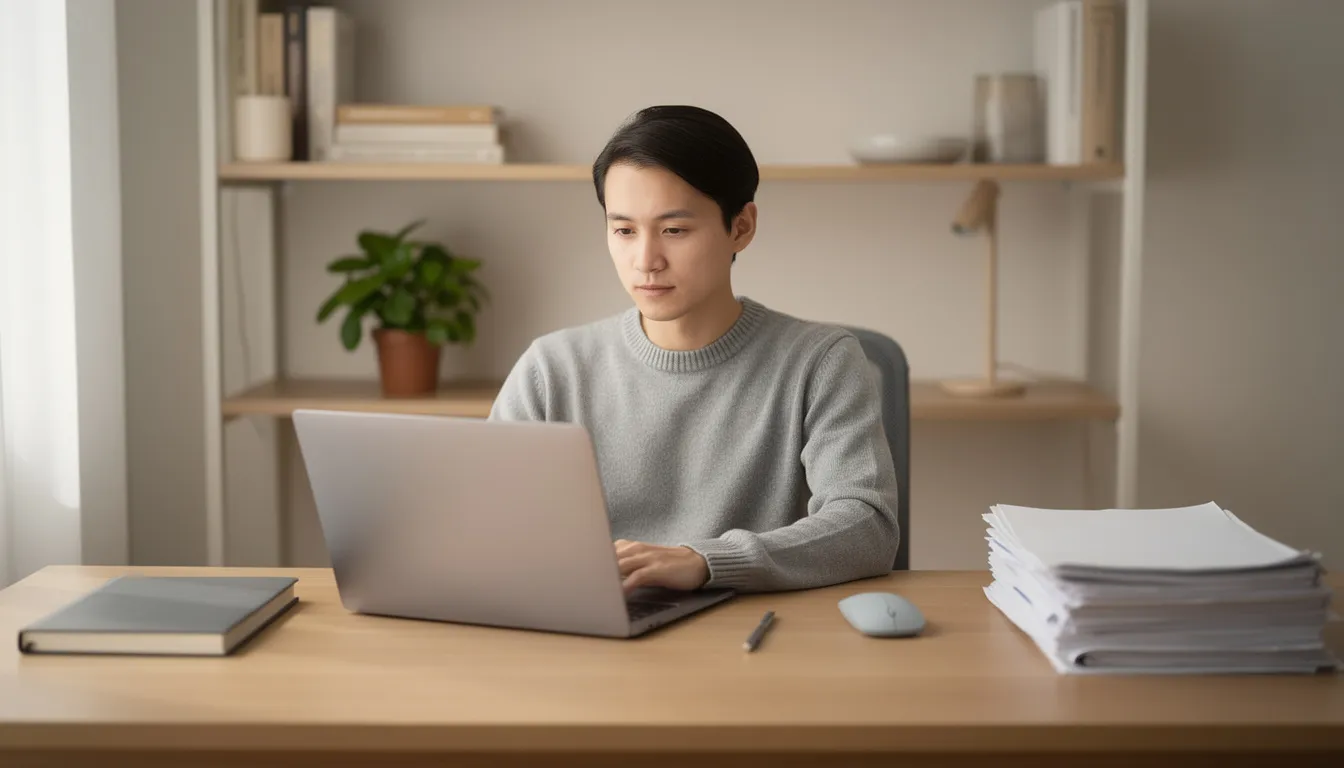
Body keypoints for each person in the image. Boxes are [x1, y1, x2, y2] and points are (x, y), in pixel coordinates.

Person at [489, 105, 900, 594]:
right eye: (623, 230)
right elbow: (482, 522)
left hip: (752, 637)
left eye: (674, 230)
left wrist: (707, 561)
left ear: (741, 227)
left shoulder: (821, 361)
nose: (646, 261)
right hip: (595, 632)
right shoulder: (552, 368)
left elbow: (867, 526)